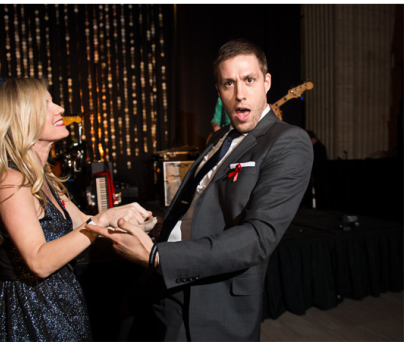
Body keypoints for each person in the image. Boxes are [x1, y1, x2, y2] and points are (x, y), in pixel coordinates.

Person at [90, 39, 313, 341]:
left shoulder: (287, 141)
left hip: (210, 299)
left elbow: (258, 238)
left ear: (267, 82)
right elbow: (195, 203)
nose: (240, 94)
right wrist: (154, 227)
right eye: (228, 84)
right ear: (219, 91)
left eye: (249, 80)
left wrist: (158, 256)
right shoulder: (219, 137)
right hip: (161, 284)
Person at [0, 78, 151, 341]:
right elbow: (39, 261)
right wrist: (99, 220)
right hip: (30, 310)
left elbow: (83, 223)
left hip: (61, 300)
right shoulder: (10, 180)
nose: (60, 108)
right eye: (46, 104)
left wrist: (137, 222)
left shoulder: (45, 176)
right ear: (20, 118)